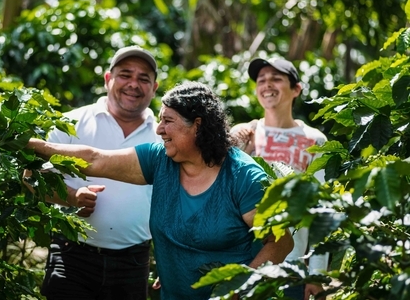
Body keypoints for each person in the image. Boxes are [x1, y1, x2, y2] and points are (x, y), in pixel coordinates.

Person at [27, 81, 294, 300]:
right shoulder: (161, 160)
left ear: (197, 125)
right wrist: (33, 146)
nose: (158, 129)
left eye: (168, 121)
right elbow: (96, 159)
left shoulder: (242, 177)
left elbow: (281, 242)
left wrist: (239, 289)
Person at [32, 45, 161, 300]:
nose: (134, 84)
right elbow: (31, 176)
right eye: (125, 74)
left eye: (143, 78)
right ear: (108, 79)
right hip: (73, 256)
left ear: (154, 88)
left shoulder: (162, 135)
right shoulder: (70, 123)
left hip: (133, 263)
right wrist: (71, 196)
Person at [231, 57, 329, 300]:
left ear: (296, 89)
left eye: (276, 78)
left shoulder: (314, 141)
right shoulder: (244, 135)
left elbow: (322, 209)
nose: (267, 84)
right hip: (248, 259)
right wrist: (241, 147)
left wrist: (317, 273)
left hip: (293, 265)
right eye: (261, 80)